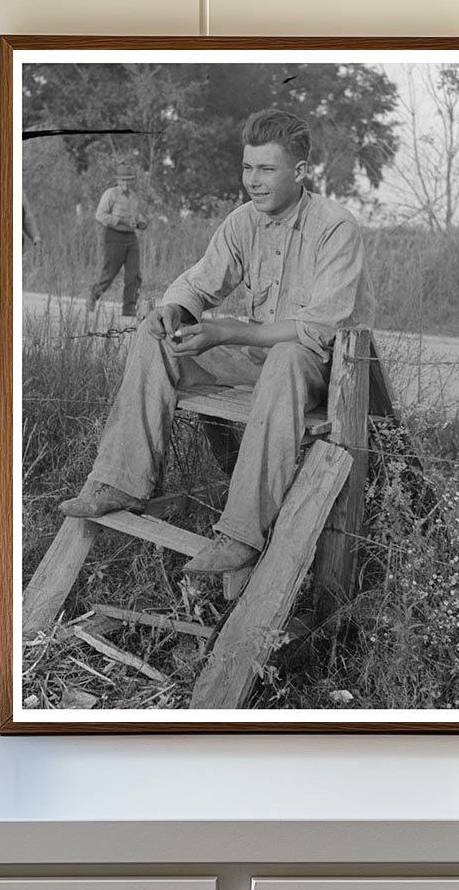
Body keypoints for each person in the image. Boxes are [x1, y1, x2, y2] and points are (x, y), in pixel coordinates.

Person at [61, 109, 375, 574]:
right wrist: (175, 310)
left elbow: (317, 330)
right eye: (248, 167)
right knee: (156, 337)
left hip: (327, 372)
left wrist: (225, 331)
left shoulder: (335, 226)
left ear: (300, 172)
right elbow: (199, 282)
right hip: (259, 362)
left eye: (267, 169)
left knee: (287, 356)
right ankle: (120, 482)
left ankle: (241, 534)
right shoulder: (243, 221)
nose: (253, 180)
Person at [87, 164, 147, 318]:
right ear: (118, 180)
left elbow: (137, 215)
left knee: (134, 275)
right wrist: (120, 220)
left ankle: (129, 308)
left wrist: (141, 222)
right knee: (110, 272)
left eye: (128, 180)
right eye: (122, 180)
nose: (125, 184)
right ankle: (93, 296)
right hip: (114, 236)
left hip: (131, 237)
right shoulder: (110, 194)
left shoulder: (134, 197)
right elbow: (100, 215)